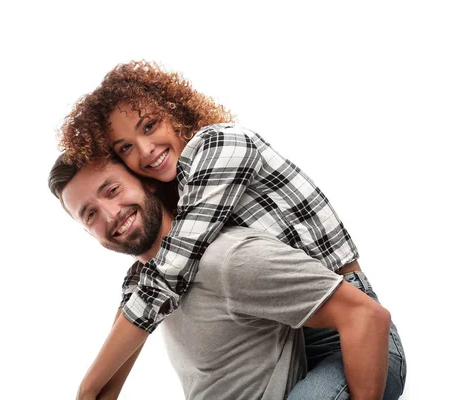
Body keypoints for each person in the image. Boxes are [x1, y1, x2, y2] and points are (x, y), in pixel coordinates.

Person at [58, 61, 407, 399]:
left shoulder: (220, 145)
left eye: (149, 126)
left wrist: (87, 387)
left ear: (175, 110)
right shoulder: (181, 197)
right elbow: (143, 290)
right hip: (297, 335)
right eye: (125, 148)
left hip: (351, 332)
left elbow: (168, 273)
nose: (146, 150)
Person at [49, 154, 392, 399]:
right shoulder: (144, 285)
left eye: (112, 190)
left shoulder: (227, 259)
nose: (110, 214)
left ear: (148, 184)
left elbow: (367, 315)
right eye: (90, 213)